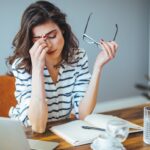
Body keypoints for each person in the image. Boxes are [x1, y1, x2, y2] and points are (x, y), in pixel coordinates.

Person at [7, 0, 118, 133]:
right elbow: (38, 127)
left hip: (60, 133)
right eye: (38, 40)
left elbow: (83, 115)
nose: (47, 45)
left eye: (52, 36)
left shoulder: (78, 57)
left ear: (63, 30)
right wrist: (37, 69)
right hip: (25, 134)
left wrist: (98, 67)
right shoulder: (22, 66)